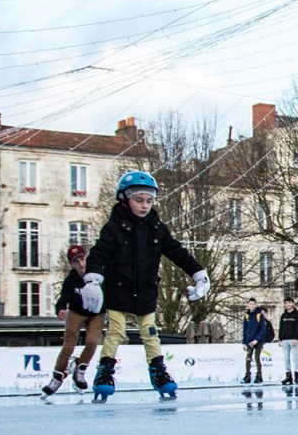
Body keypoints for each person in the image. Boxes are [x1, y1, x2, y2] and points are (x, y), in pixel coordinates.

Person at [80, 170, 209, 400]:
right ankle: (105, 372)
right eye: (139, 200)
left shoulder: (157, 228)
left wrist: (198, 273)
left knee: (150, 333)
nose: (145, 206)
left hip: (147, 291)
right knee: (116, 332)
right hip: (119, 289)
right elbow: (98, 254)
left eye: (149, 201)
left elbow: (177, 252)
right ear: (124, 199)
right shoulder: (113, 228)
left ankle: (158, 372)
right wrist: (92, 279)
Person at [44, 243, 103, 395]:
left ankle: (80, 368)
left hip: (96, 313)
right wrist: (60, 309)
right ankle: (57, 377)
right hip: (77, 311)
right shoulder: (71, 280)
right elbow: (63, 298)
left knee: (92, 341)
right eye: (76, 262)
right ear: (71, 264)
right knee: (68, 345)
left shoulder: (97, 272)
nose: (81, 264)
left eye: (82, 259)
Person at [241, 299, 273, 384]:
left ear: (255, 305)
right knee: (248, 358)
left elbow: (262, 329)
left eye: (253, 304)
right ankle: (247, 375)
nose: (251, 306)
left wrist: (257, 340)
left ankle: (259, 375)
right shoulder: (246, 315)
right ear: (248, 305)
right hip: (249, 340)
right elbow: (245, 329)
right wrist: (244, 342)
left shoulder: (259, 315)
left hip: (257, 341)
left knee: (257, 358)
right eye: (250, 304)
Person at [277, 297, 298, 385]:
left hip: (293, 339)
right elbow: (281, 327)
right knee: (286, 359)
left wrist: (296, 338)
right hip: (284, 340)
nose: (288, 305)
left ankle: (297, 376)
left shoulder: (297, 314)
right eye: (286, 303)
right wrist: (280, 339)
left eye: (289, 303)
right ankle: (288, 376)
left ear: (293, 303)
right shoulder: (283, 315)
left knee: (295, 358)